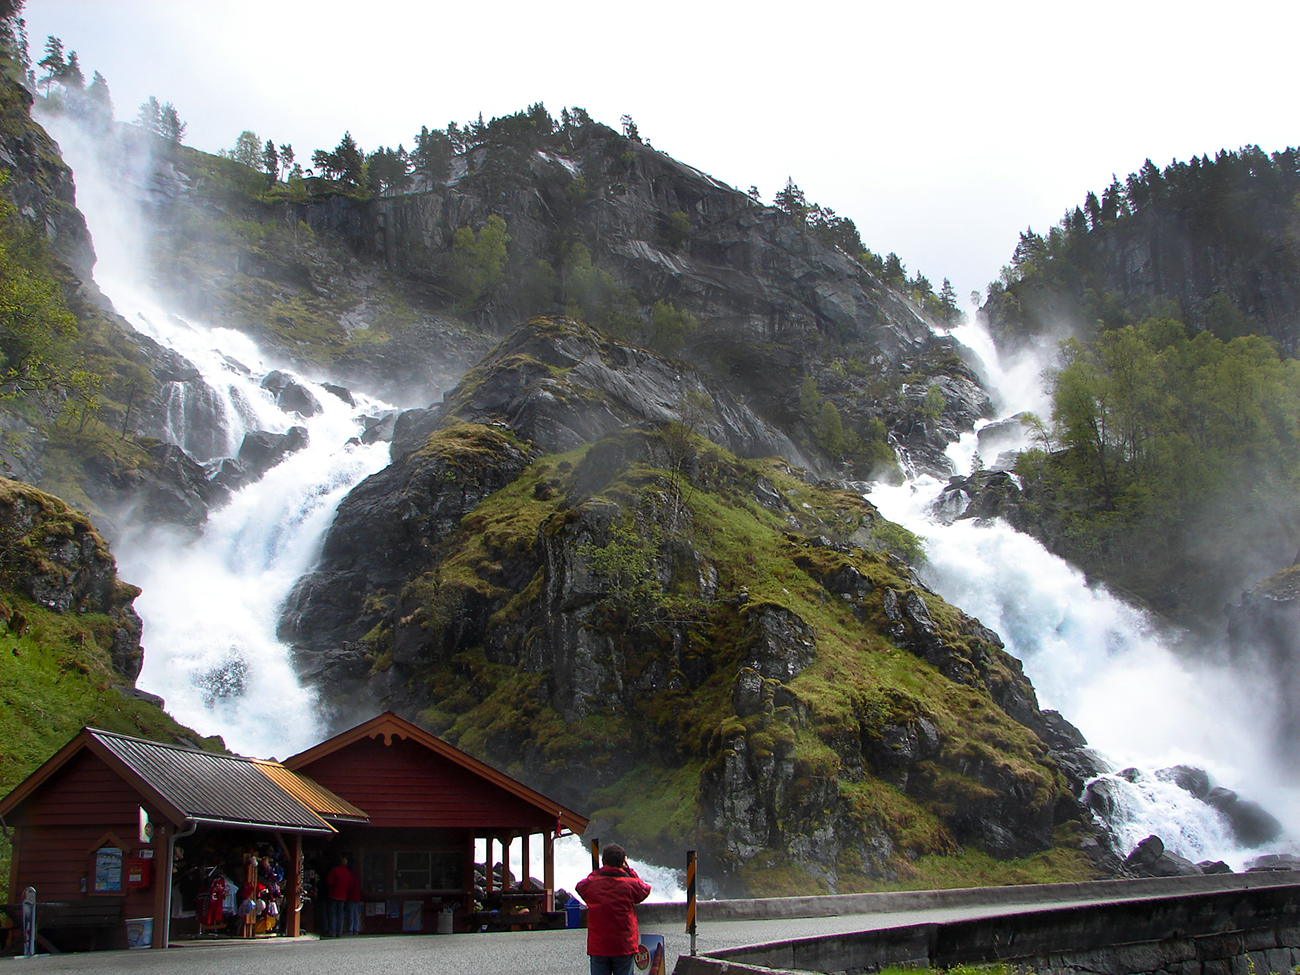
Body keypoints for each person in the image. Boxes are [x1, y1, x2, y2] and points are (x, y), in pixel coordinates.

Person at [575, 843, 652, 975]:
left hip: (599, 945)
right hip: (624, 945)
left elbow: (580, 886)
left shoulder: (592, 884)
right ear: (623, 862)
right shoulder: (630, 885)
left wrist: (600, 871)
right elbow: (643, 888)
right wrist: (629, 870)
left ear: (603, 861)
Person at [323, 855, 353, 938]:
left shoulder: (334, 870)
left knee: (332, 913)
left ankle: (332, 931)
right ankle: (339, 932)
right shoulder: (348, 873)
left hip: (333, 894)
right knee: (340, 914)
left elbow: (329, 881)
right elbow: (350, 886)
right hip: (343, 896)